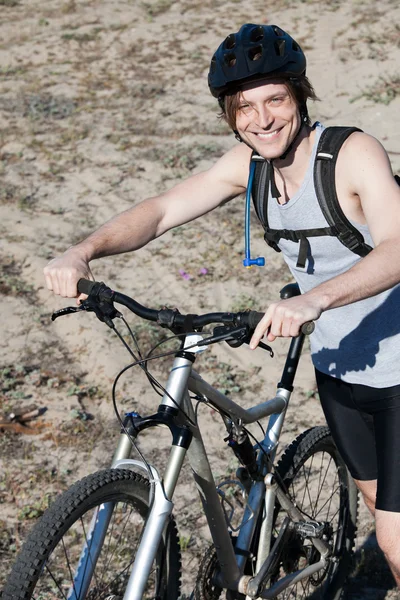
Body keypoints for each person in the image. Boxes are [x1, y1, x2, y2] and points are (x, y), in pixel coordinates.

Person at [44, 24, 400, 585]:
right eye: (245, 108)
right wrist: (83, 250)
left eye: (275, 101)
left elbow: (397, 246)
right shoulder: (249, 166)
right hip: (339, 370)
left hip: (398, 366)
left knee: (394, 540)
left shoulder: (350, 154)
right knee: (380, 502)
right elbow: (162, 211)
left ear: (299, 96)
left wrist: (315, 300)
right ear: (230, 116)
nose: (261, 120)